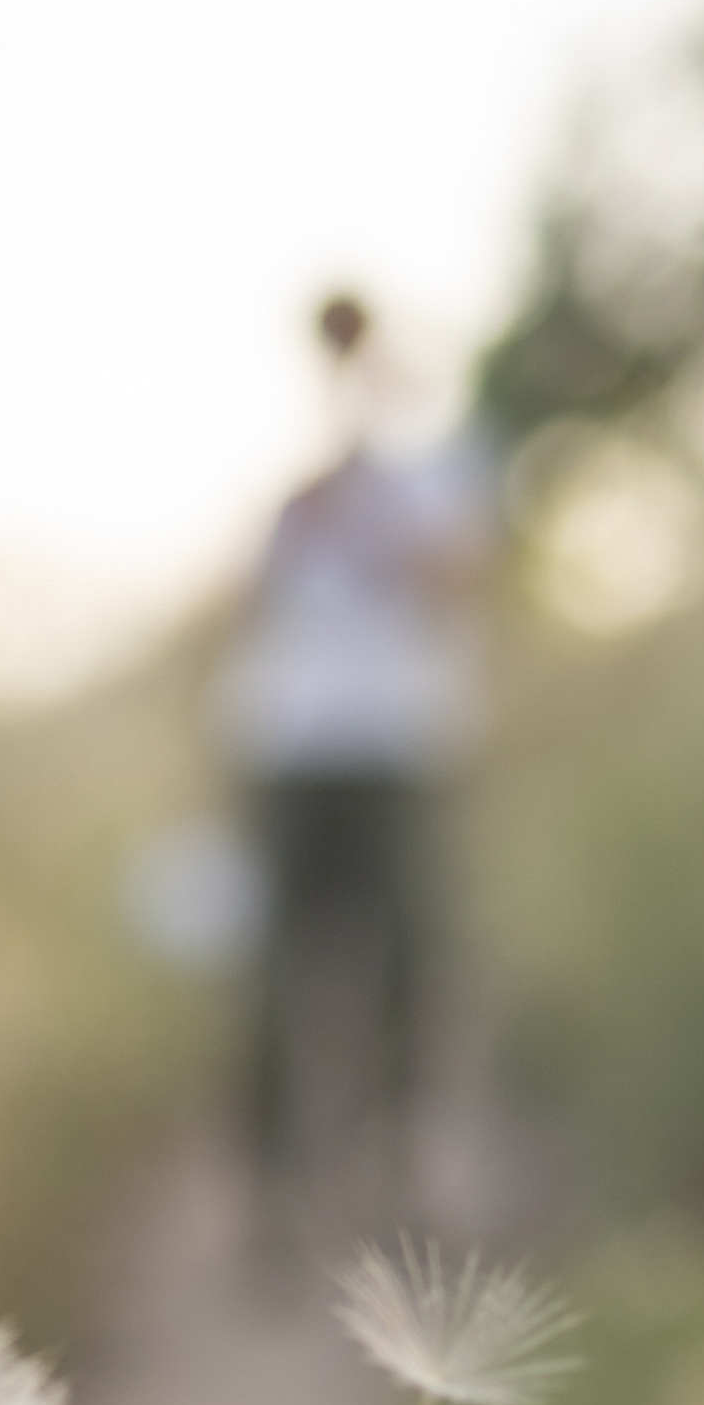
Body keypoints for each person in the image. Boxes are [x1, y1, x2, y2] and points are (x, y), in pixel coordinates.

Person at [223, 292, 492, 1213]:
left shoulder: (430, 474)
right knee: (274, 970)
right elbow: (245, 610)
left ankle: (400, 1163)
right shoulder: (287, 489)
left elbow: (455, 581)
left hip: (391, 748)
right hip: (293, 748)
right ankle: (273, 1184)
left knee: (407, 959)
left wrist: (367, 506)